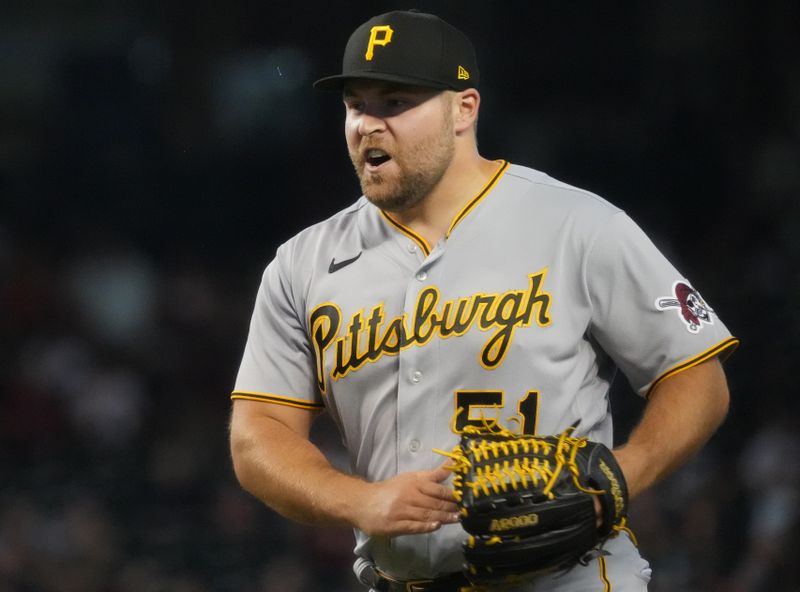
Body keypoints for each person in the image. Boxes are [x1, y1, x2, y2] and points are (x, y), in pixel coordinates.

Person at [229, 10, 738, 592]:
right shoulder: (303, 264)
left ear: (463, 110)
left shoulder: (576, 223)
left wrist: (625, 472)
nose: (367, 124)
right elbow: (258, 433)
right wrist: (359, 501)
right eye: (355, 105)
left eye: (395, 102)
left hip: (564, 577)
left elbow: (696, 374)